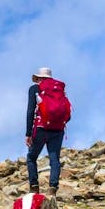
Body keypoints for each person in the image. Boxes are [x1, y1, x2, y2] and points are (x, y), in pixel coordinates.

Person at [25, 67, 69, 196]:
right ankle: (53, 189)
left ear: (39, 78)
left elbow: (30, 111)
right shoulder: (59, 89)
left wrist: (28, 133)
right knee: (54, 159)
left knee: (31, 157)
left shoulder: (35, 89)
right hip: (58, 129)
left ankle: (34, 187)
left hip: (41, 128)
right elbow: (67, 112)